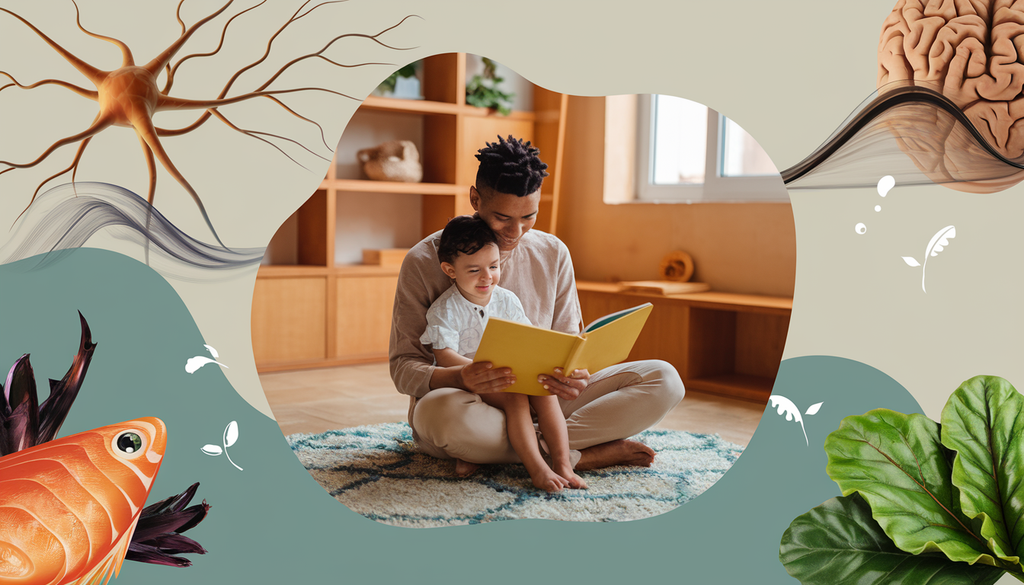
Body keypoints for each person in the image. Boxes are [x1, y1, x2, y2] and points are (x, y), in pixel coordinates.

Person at [389, 134, 685, 474]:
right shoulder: (425, 260)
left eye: (529, 217)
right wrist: (463, 377)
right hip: (466, 403)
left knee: (664, 380)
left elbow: (568, 344)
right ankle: (578, 455)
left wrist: (575, 376)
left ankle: (518, 453)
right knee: (444, 419)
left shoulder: (553, 253)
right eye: (502, 218)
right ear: (475, 198)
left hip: (543, 399)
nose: (515, 232)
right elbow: (404, 368)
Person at [419, 215, 586, 492]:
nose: (487, 277)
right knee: (516, 399)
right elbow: (445, 355)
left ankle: (563, 464)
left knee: (545, 393)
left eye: (493, 266)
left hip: (512, 370)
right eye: (474, 271)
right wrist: (476, 371)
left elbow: (527, 337)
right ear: (450, 270)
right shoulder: (445, 308)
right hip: (471, 380)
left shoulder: (506, 299)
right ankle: (537, 468)